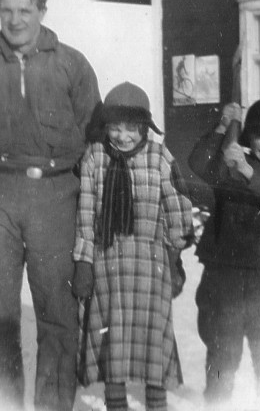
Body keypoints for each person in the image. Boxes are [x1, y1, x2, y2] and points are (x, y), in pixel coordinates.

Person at [0, 0, 100, 411]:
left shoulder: (72, 64)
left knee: (57, 310)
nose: (15, 20)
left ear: (42, 10)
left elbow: (94, 133)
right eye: (6, 10)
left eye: (25, 10)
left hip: (56, 196)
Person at [72, 82, 195, 411]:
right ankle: (116, 405)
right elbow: (85, 213)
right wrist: (84, 261)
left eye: (131, 128)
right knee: (113, 344)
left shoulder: (158, 156)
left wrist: (175, 254)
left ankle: (157, 404)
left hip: (150, 267)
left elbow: (178, 206)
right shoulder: (96, 157)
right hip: (107, 265)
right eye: (115, 127)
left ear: (144, 127)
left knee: (152, 345)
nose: (123, 136)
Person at [187, 97, 260, 407]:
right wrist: (223, 126)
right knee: (222, 358)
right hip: (224, 280)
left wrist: (245, 168)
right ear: (249, 137)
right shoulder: (229, 164)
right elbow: (198, 163)